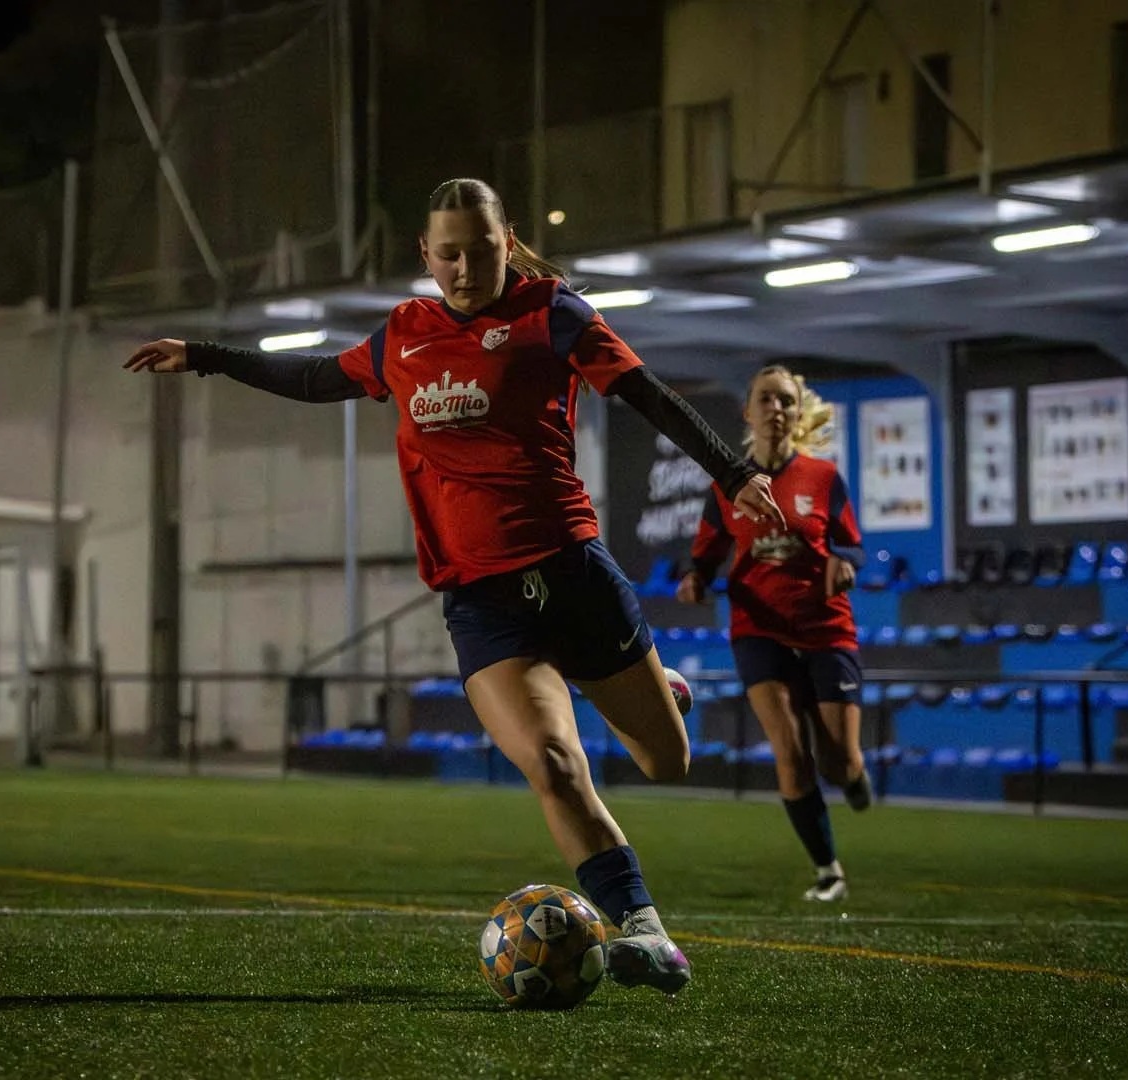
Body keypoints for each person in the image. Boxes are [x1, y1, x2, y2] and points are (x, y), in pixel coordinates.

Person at [125, 177, 780, 996]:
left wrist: (732, 471)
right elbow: (314, 378)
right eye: (449, 253)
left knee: (668, 763)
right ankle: (642, 928)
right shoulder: (404, 335)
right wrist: (205, 357)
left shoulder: (554, 315)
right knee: (552, 761)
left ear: (508, 241)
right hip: (482, 601)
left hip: (573, 576)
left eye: (480, 249)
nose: (465, 268)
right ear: (425, 255)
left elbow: (645, 394)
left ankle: (651, 685)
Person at [675, 364, 870, 904]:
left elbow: (851, 543)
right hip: (757, 630)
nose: (776, 409)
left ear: (797, 412)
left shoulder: (824, 478)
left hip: (826, 628)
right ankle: (828, 869)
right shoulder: (727, 485)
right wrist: (694, 579)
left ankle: (854, 775)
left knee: (839, 761)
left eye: (786, 400)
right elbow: (705, 555)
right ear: (748, 412)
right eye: (766, 399)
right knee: (789, 751)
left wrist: (847, 563)